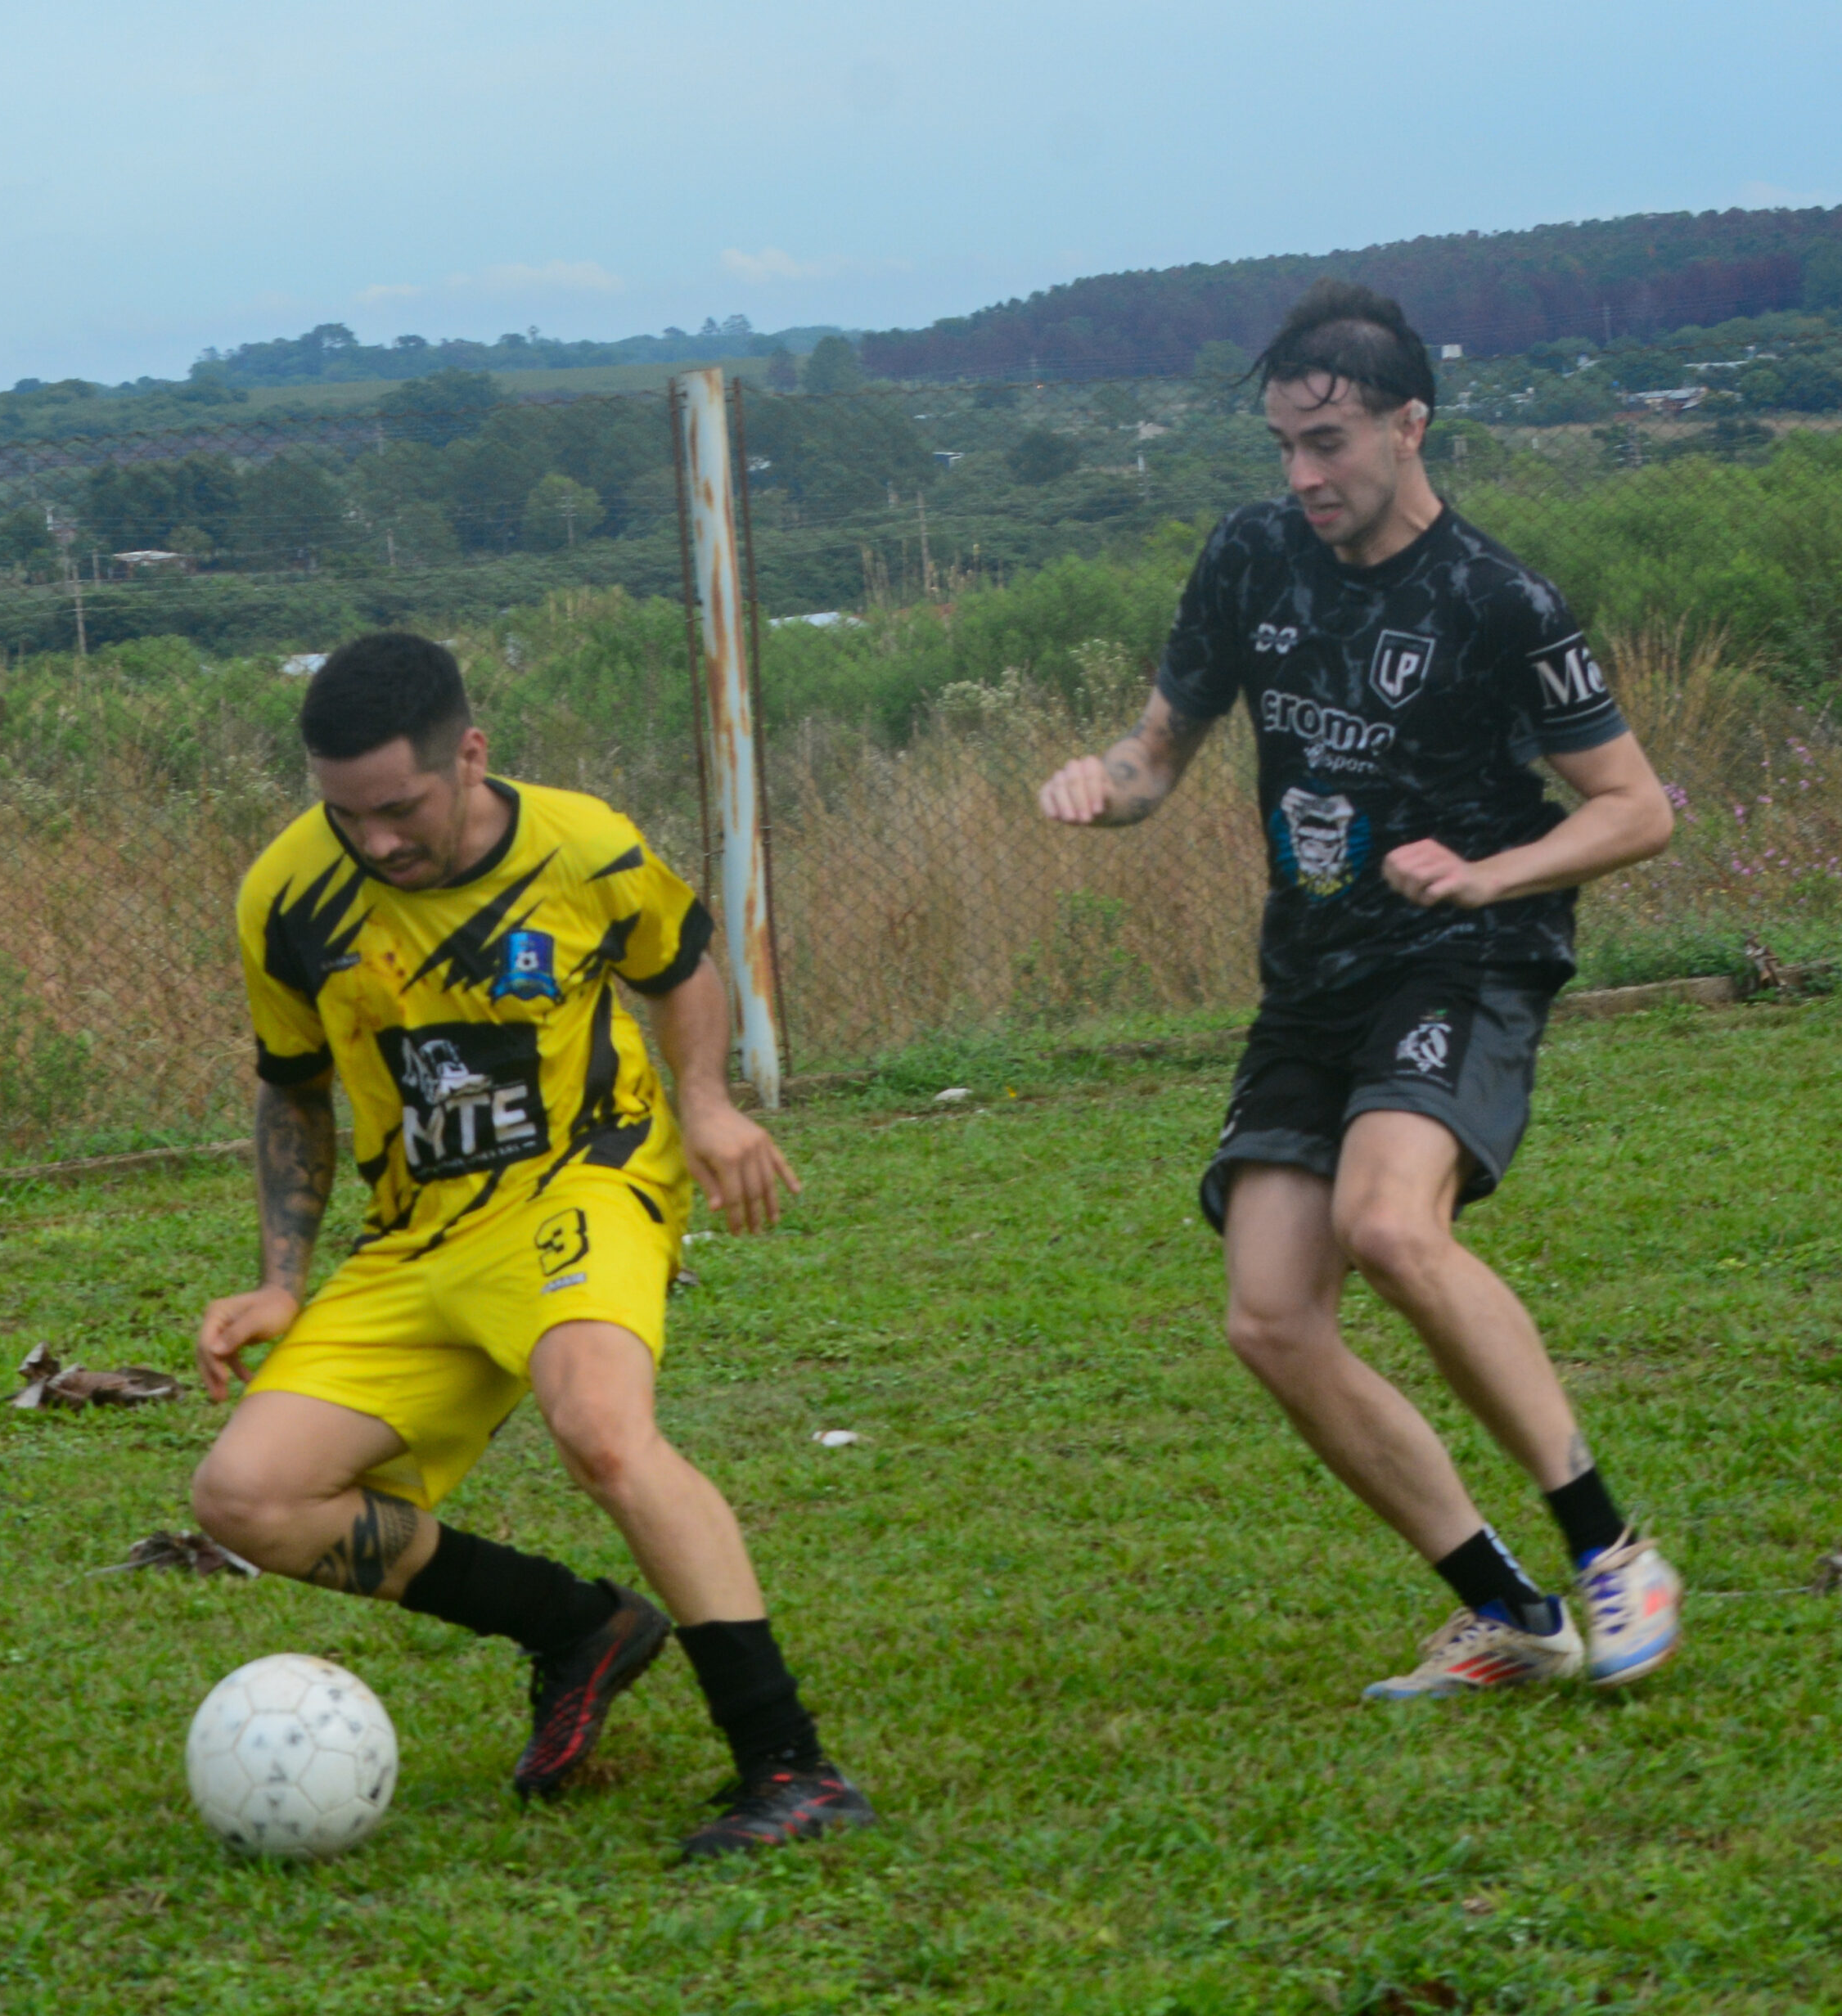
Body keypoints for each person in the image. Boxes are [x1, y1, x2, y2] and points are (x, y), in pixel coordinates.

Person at [1038, 281, 1684, 1699]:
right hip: (1313, 973)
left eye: (1326, 442)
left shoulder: (1501, 601)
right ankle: (1508, 1611)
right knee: (1269, 1315)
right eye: (1284, 444)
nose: (1303, 475)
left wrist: (1491, 874)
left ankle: (1612, 1551)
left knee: (1388, 1224)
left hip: (1464, 954)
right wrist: (1104, 784)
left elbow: (1637, 810)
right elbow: (1159, 753)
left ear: (1409, 425)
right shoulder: (1250, 557)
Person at [191, 631, 873, 1855]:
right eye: (346, 814)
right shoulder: (285, 896)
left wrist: (706, 1103)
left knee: (601, 1429)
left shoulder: (584, 846)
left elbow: (680, 965)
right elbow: (291, 1087)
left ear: (469, 754)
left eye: (399, 808)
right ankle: (577, 1628)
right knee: (248, 1498)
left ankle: (791, 1766)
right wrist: (280, 1281)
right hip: (416, 1238)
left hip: (583, 1182)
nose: (374, 841)